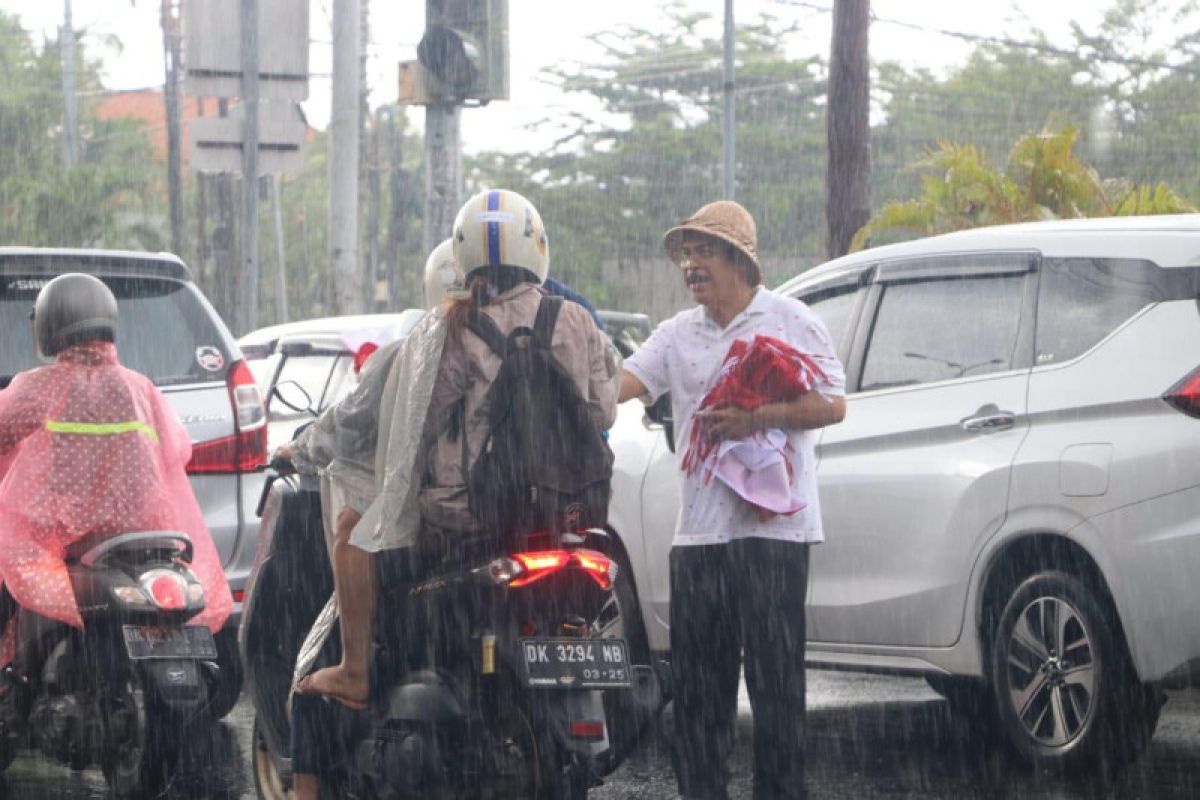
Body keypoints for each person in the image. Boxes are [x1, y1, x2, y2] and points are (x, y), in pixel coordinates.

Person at [287, 190, 617, 794]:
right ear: (538, 247)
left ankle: (357, 672)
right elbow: (604, 409)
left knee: (350, 546)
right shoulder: (575, 320)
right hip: (562, 522)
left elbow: (414, 421)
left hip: (467, 527)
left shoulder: (456, 329)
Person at [617, 201, 846, 800]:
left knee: (776, 694)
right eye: (686, 255)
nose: (691, 266)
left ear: (739, 260)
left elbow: (832, 404)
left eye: (704, 252)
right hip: (700, 539)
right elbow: (622, 385)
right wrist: (567, 367)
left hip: (774, 538)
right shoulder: (675, 333)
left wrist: (757, 418)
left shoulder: (790, 320)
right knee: (697, 698)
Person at [0, 273, 232, 668]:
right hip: (140, 531)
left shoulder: (40, 386)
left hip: (63, 533)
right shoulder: (139, 387)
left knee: (10, 570)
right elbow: (178, 448)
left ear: (49, 326)